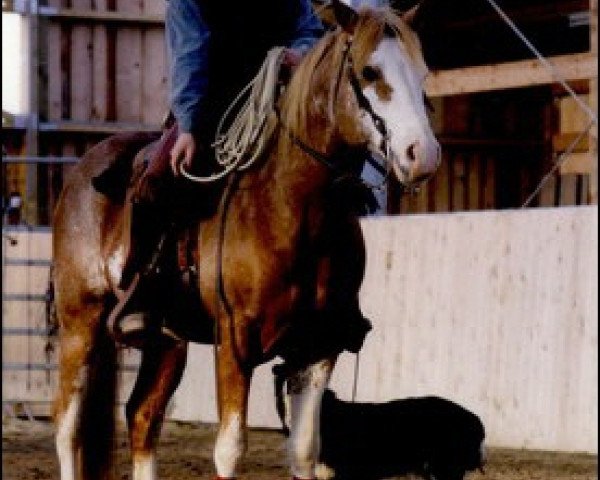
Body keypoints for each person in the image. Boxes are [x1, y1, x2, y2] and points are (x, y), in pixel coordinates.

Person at [94, 0, 325, 345]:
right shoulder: (189, 2)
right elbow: (191, 57)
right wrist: (188, 127)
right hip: (210, 110)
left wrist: (299, 53)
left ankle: (335, 295)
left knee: (332, 175)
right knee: (156, 181)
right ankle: (148, 287)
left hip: (280, 107)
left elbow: (310, 29)